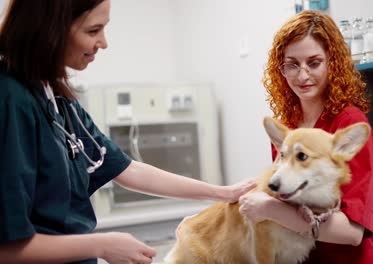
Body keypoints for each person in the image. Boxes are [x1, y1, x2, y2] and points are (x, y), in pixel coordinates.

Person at [0, 1, 256, 264]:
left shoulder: (56, 97)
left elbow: (126, 169)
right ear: (51, 28)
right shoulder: (10, 99)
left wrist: (223, 193)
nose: (103, 42)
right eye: (93, 31)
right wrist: (101, 244)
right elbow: (7, 248)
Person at [238, 10, 373, 264]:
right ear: (280, 69)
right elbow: (287, 202)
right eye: (292, 64)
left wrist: (268, 210)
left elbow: (351, 232)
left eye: (314, 62)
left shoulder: (349, 123)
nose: (302, 76)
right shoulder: (287, 128)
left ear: (332, 63)